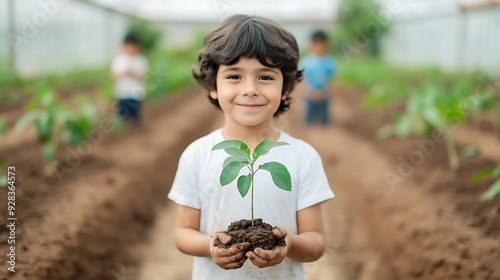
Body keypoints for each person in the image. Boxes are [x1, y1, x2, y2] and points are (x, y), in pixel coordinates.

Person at [167, 15, 334, 280]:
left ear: (285, 88)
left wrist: (289, 243)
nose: (250, 89)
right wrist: (211, 246)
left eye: (265, 77)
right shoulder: (197, 155)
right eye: (234, 76)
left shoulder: (303, 157)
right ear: (213, 86)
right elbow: (182, 234)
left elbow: (315, 244)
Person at [300, 30, 337, 126]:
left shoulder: (330, 61)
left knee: (324, 118)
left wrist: (324, 90)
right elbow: (304, 77)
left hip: (324, 94)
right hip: (310, 94)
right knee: (309, 116)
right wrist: (311, 90)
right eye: (316, 43)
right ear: (311, 45)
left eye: (322, 44)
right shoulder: (306, 61)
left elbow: (332, 77)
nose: (319, 47)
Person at [111, 32, 148, 125]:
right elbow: (113, 76)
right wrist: (124, 72)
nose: (131, 48)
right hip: (122, 94)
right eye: (128, 45)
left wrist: (133, 73)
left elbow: (144, 77)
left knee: (135, 119)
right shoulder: (119, 59)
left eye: (133, 45)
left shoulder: (141, 59)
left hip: (136, 95)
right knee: (121, 119)